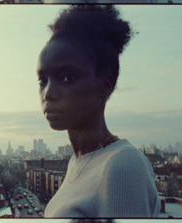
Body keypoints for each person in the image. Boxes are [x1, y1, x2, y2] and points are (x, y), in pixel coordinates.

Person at [37, 5, 161, 218]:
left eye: (67, 77)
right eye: (43, 80)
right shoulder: (78, 161)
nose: (48, 93)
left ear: (106, 84)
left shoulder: (122, 165)